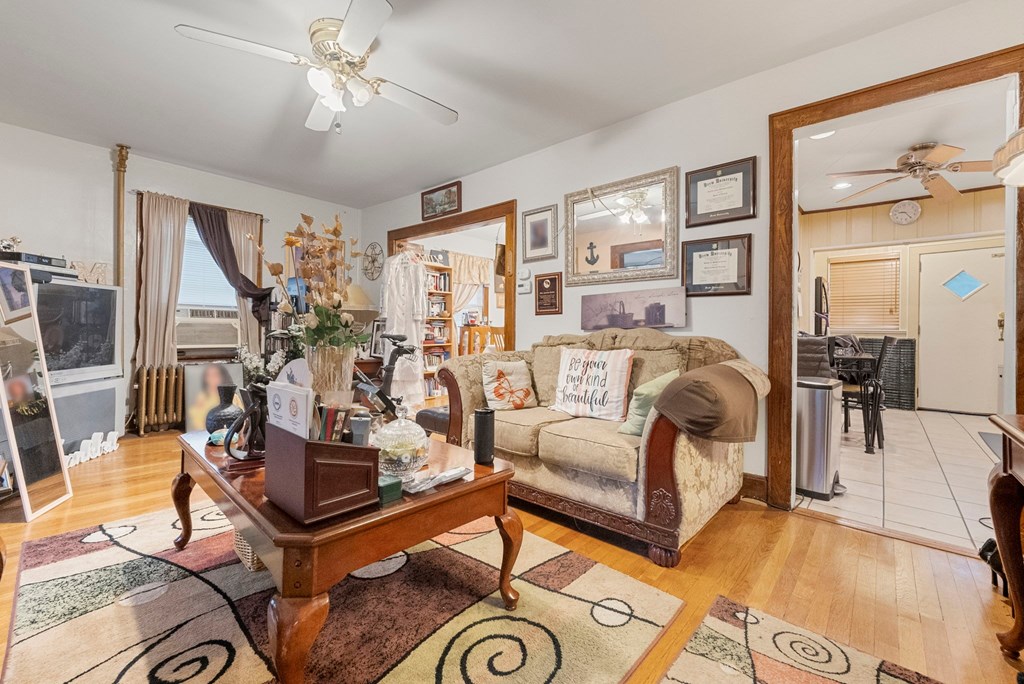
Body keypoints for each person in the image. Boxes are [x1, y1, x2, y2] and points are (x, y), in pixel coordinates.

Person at [187, 363, 243, 431]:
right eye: (208, 376)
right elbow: (195, 421)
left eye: (215, 375)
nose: (211, 379)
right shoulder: (202, 397)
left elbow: (242, 420)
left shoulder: (233, 397)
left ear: (223, 377)